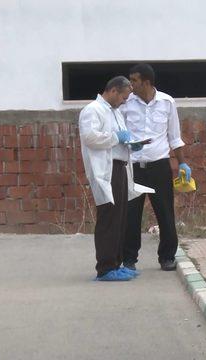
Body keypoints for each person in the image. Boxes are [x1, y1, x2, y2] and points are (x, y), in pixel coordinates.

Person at [121, 63, 191, 271]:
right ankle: (129, 258)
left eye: (134, 80)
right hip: (133, 166)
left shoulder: (167, 103)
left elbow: (174, 137)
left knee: (165, 211)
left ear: (147, 82)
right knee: (131, 214)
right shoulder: (126, 104)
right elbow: (120, 134)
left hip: (159, 165)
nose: (130, 85)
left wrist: (182, 163)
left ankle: (167, 257)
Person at [79, 76, 145, 281]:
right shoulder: (92, 110)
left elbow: (118, 137)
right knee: (109, 217)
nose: (124, 102)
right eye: (123, 97)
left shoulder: (115, 112)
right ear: (114, 91)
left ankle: (116, 263)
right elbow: (90, 137)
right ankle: (105, 267)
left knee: (120, 218)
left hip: (120, 168)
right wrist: (118, 138)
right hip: (106, 171)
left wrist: (132, 143)